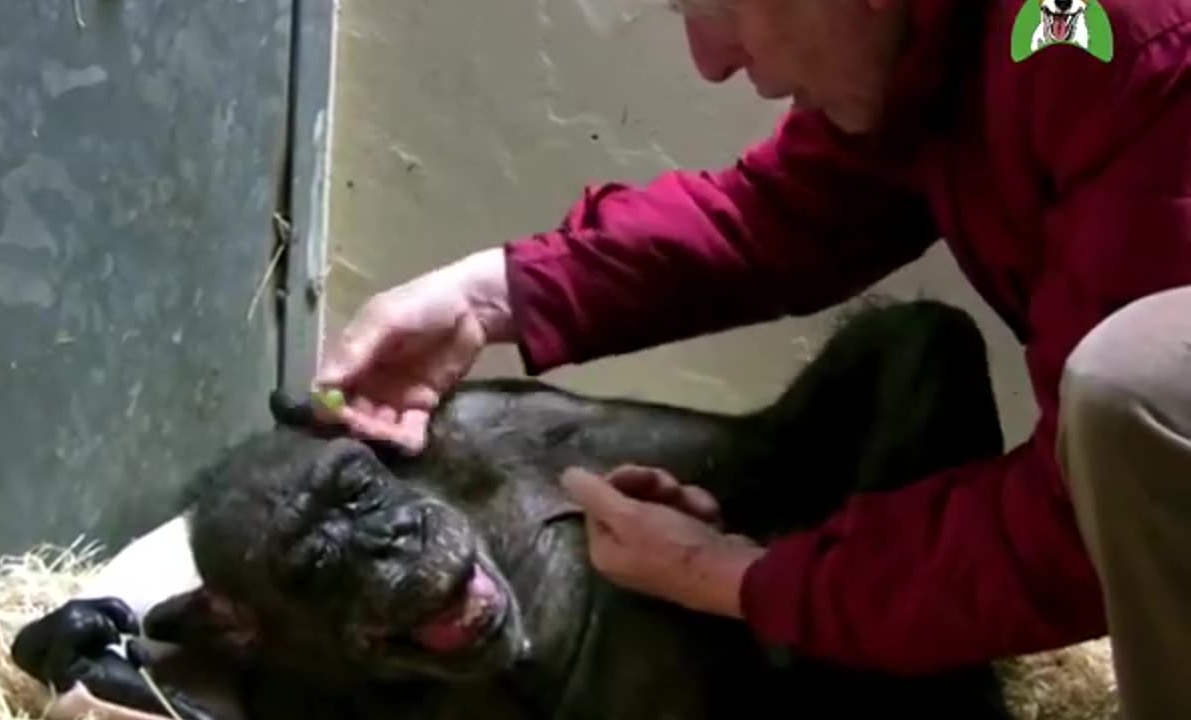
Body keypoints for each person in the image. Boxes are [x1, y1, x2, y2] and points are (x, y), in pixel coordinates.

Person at [311, 1, 1191, 718]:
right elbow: (782, 219)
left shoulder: (1115, 46)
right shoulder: (944, 46)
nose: (711, 59)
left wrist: (738, 578)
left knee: (1127, 394)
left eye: (723, 4)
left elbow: (1084, 526)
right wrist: (491, 293)